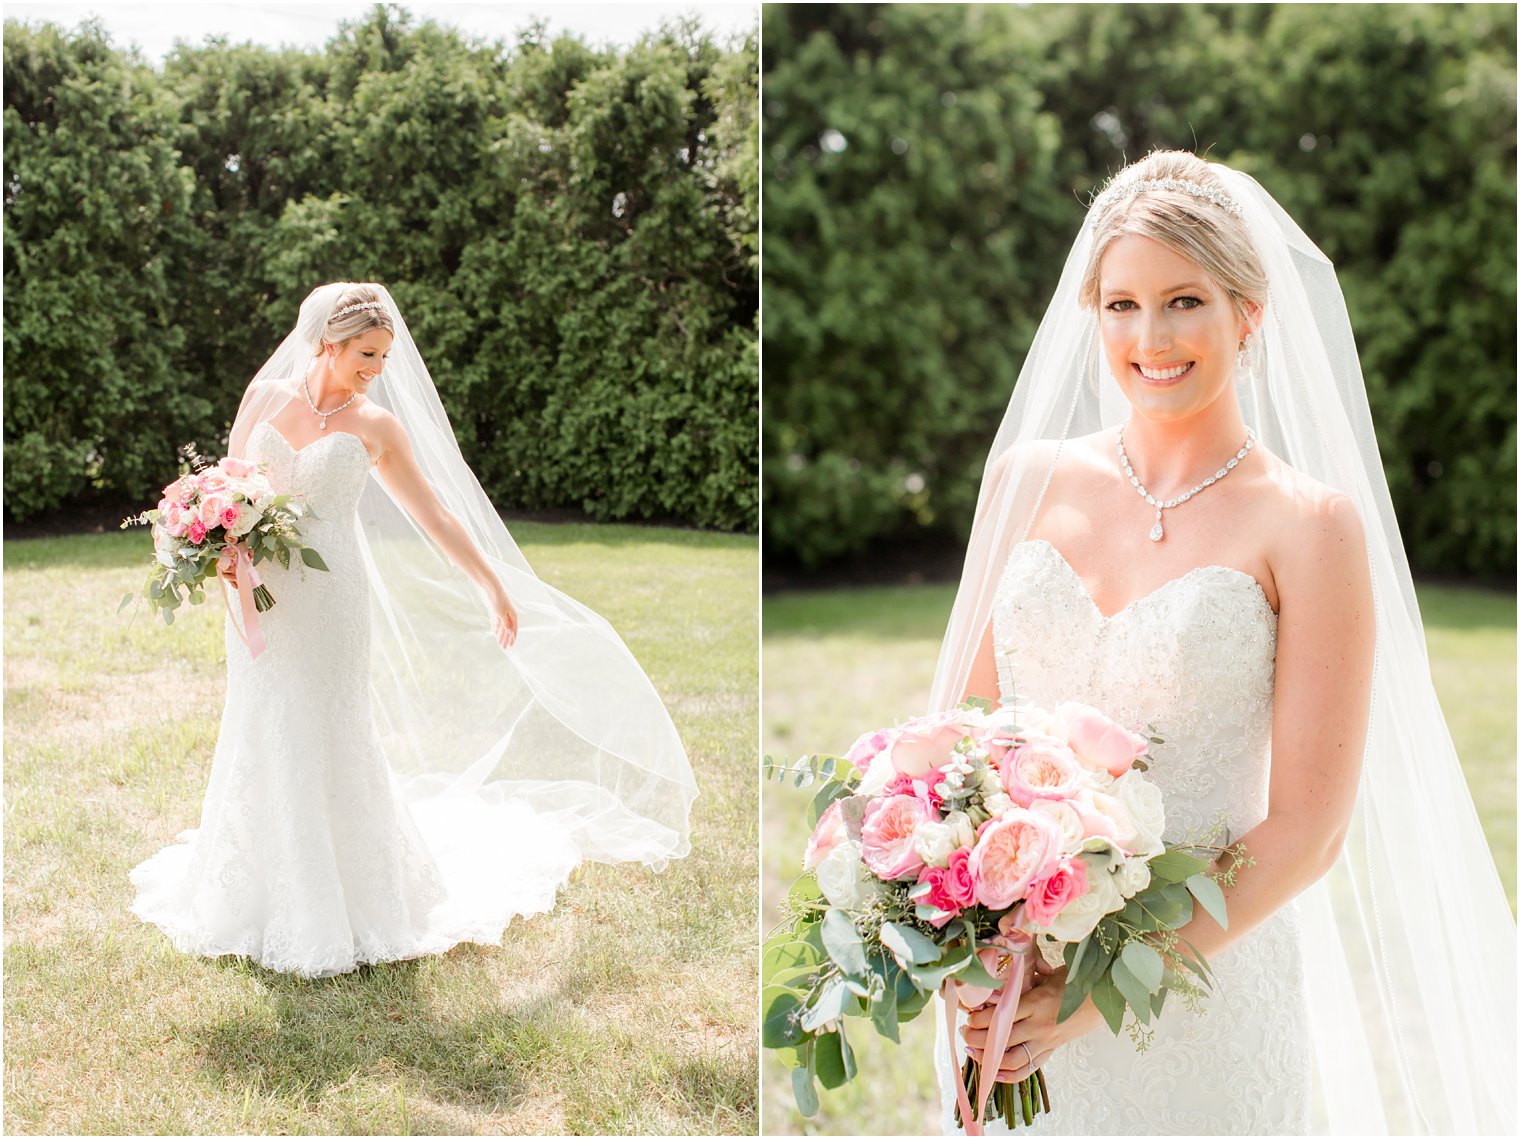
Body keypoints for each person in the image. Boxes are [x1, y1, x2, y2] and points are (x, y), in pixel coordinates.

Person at [928, 152, 1514, 1134]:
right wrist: (964, 944)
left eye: (1182, 300)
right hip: (1009, 984)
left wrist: (1092, 985)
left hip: (1197, 998)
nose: (1148, 337)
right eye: (1119, 305)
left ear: (1247, 312)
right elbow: (953, 738)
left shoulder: (1308, 525)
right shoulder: (1023, 480)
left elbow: (1308, 828)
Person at [130, 282, 697, 977]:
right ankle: (257, 884)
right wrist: (211, 540)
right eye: (367, 353)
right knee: (265, 720)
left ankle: (349, 891)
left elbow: (436, 516)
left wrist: (492, 584)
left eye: (385, 356)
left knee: (331, 724)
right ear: (328, 342)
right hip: (261, 598)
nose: (377, 368)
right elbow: (229, 488)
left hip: (334, 600)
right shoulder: (266, 398)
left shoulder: (377, 427)